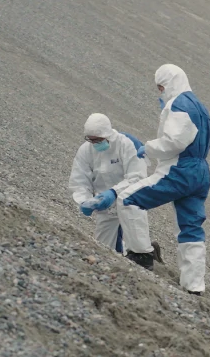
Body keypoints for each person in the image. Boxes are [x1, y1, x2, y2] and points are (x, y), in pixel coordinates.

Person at [118, 64, 210, 295]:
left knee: (128, 200)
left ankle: (141, 254)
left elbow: (175, 141)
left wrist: (148, 149)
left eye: (161, 87)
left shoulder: (179, 104)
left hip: (179, 169)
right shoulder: (200, 107)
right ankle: (193, 285)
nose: (160, 92)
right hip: (200, 171)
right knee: (191, 226)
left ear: (168, 84)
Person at [68, 113, 161, 270]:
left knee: (137, 243)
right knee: (102, 250)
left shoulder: (126, 144)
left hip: (130, 200)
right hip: (105, 205)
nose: (95, 143)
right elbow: (79, 180)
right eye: (91, 140)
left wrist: (114, 192)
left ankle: (145, 255)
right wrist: (84, 201)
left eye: (98, 139)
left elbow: (137, 177)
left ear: (108, 134)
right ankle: (133, 250)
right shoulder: (86, 151)